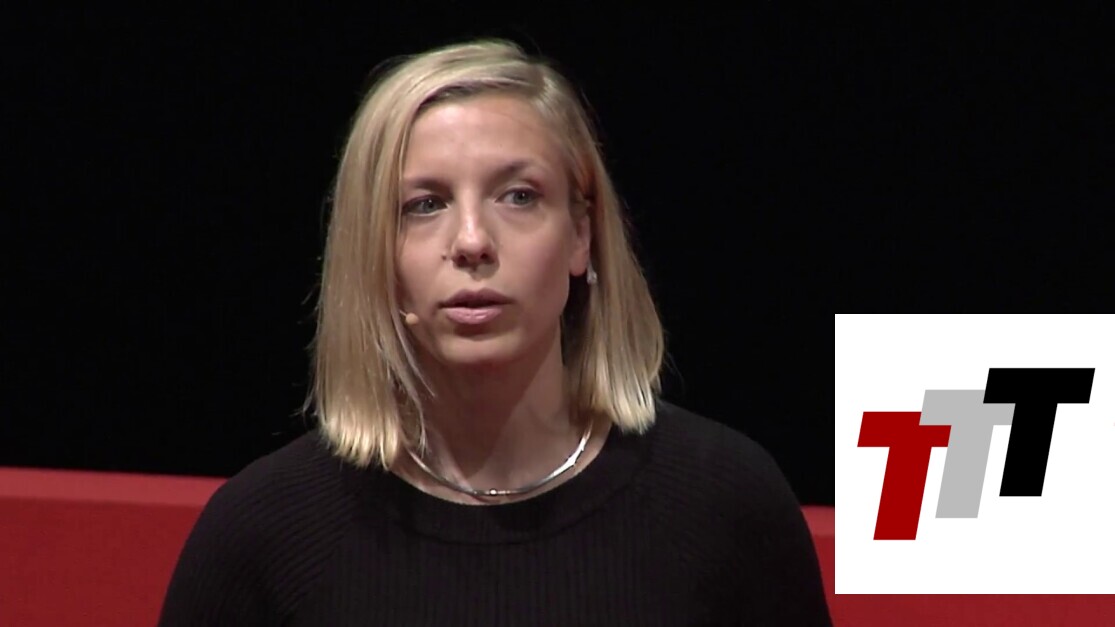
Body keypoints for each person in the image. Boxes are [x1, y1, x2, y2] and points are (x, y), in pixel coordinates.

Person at [158, 38, 832, 625]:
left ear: (581, 235)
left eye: (518, 196)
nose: (472, 241)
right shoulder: (262, 532)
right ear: (375, 254)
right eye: (425, 205)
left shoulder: (724, 502)